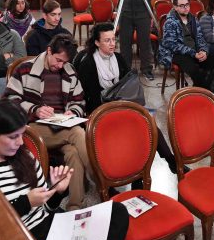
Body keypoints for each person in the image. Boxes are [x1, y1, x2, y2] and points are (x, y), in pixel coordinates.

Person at [0, 99, 129, 240]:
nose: (21, 142)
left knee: (117, 212)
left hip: (49, 226)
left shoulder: (25, 156)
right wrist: (26, 203)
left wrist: (56, 191)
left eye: (21, 135)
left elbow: (45, 208)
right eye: (13, 137)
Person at [77, 22, 188, 177]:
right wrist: (116, 108)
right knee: (134, 127)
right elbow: (90, 98)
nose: (112, 44)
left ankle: (170, 161)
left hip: (122, 104)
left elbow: (128, 85)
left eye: (113, 39)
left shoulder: (118, 58)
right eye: (107, 40)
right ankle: (132, 172)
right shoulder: (88, 63)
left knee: (149, 123)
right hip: (100, 109)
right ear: (97, 42)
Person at [5, 34, 91, 211]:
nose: (60, 66)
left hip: (62, 125)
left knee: (73, 152)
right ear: (49, 51)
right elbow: (9, 101)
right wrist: (35, 110)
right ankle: (102, 178)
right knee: (76, 132)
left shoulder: (69, 70)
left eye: (64, 63)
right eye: (58, 60)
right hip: (34, 127)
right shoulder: (25, 69)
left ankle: (75, 206)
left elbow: (79, 100)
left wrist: (73, 112)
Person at [158, 0, 214, 89]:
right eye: (182, 6)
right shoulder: (170, 22)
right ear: (175, 7)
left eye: (187, 5)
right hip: (175, 53)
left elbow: (200, 37)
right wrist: (193, 53)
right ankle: (205, 90)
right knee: (194, 69)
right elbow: (172, 45)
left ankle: (201, 88)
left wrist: (203, 50)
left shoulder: (193, 19)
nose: (185, 8)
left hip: (194, 50)